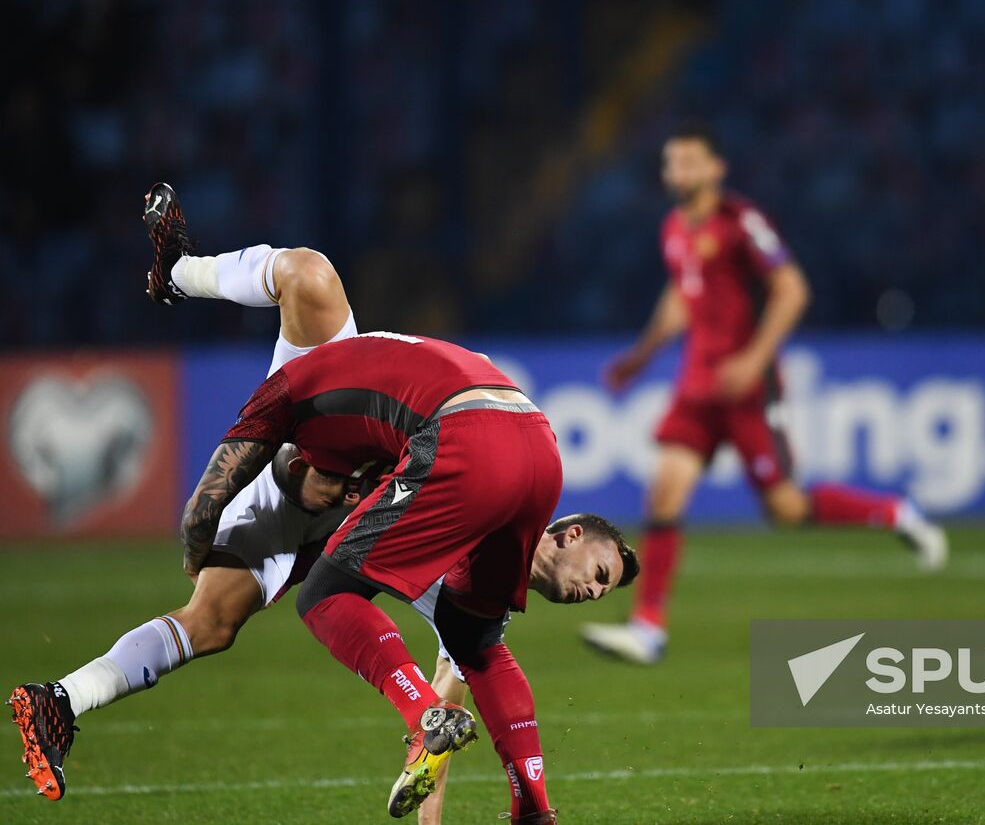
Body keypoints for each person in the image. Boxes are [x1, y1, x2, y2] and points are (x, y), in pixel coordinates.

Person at [8, 185, 638, 824]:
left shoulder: (466, 521)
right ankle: (64, 698)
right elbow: (201, 509)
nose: (592, 588)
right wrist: (204, 549)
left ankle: (59, 699)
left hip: (381, 490)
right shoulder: (304, 389)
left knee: (270, 612)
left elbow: (462, 662)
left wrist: (427, 770)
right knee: (211, 619)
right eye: (601, 574)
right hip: (312, 486)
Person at [581, 125, 947, 666]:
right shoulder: (675, 229)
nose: (678, 173)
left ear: (714, 168)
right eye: (671, 164)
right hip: (698, 385)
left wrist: (753, 359)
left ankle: (895, 512)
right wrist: (642, 356)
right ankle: (648, 628)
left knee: (786, 508)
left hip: (750, 387)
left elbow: (794, 290)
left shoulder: (742, 223)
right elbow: (684, 295)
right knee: (664, 493)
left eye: (689, 163)